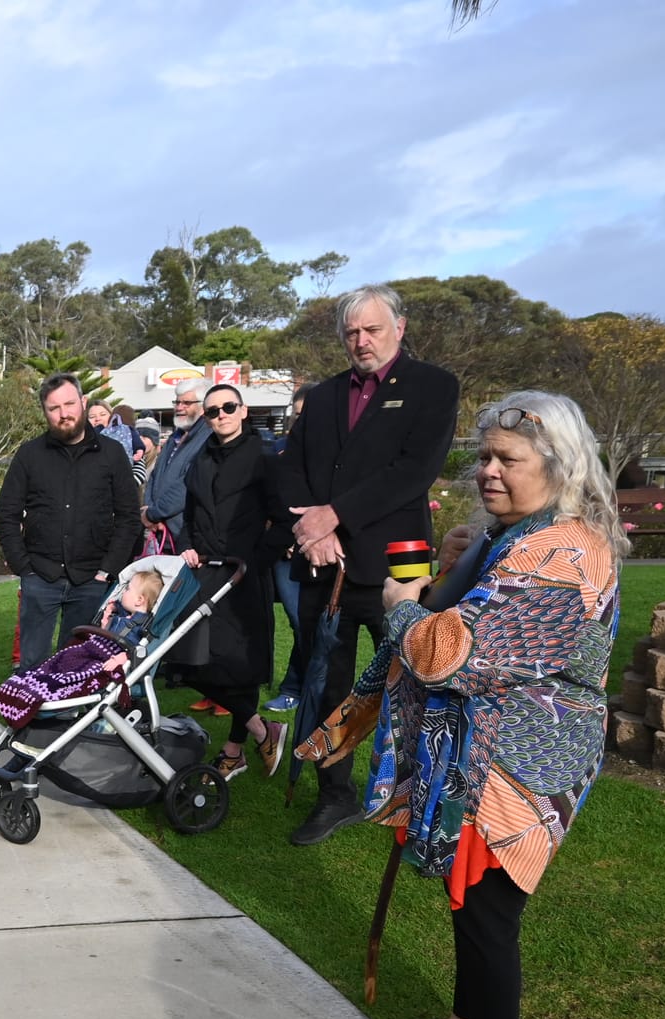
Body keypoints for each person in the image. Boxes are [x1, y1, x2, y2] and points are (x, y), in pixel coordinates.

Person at [298, 392, 625, 1019]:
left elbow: (452, 654)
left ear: (559, 465)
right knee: (469, 896)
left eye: (508, 459)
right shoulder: (520, 537)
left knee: (488, 910)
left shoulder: (560, 554)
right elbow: (473, 615)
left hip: (516, 766)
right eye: (483, 457)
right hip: (491, 755)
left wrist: (399, 604)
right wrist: (458, 566)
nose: (488, 471)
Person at [279, 283, 460, 846]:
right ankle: (334, 795)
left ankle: (418, 790)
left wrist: (332, 515)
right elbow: (292, 468)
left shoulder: (433, 386)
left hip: (395, 570)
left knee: (414, 682)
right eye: (352, 332)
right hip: (324, 566)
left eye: (372, 329)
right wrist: (311, 531)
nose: (361, 341)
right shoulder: (327, 394)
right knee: (324, 685)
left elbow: (413, 472)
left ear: (399, 329)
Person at [177, 384, 291, 782]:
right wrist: (187, 546)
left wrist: (257, 561)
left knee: (240, 668)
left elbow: (284, 521)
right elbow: (188, 514)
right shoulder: (199, 459)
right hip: (203, 573)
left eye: (228, 407)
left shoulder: (264, 458)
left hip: (244, 575)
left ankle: (232, 752)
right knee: (189, 664)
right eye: (212, 411)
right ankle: (263, 730)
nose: (221, 414)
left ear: (243, 411)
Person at [0, 372, 142, 665]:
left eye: (69, 404)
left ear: (83, 402)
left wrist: (107, 570)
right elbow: (5, 516)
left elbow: (128, 517)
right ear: (45, 412)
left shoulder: (112, 454)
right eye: (54, 408)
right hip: (40, 576)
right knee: (32, 665)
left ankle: (69, 713)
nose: (64, 414)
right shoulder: (29, 455)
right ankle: (34, 711)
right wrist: (24, 567)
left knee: (76, 663)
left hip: (91, 579)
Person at [264, 385, 313, 714]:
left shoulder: (338, 455)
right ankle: (296, 686)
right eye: (297, 415)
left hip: (321, 549)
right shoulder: (278, 451)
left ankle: (306, 686)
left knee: (314, 623)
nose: (301, 421)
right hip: (285, 551)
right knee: (298, 620)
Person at [141, 384, 209, 551]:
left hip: (184, 535)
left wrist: (154, 514)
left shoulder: (207, 437)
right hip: (160, 532)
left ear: (203, 406)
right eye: (177, 402)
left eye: (186, 403)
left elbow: (187, 485)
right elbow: (155, 477)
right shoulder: (174, 437)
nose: (179, 407)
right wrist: (151, 514)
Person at [97, 566, 165, 650]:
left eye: (127, 589)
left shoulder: (140, 626)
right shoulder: (127, 614)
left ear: (139, 600)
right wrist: (113, 607)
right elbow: (121, 608)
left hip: (112, 652)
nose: (123, 592)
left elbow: (130, 647)